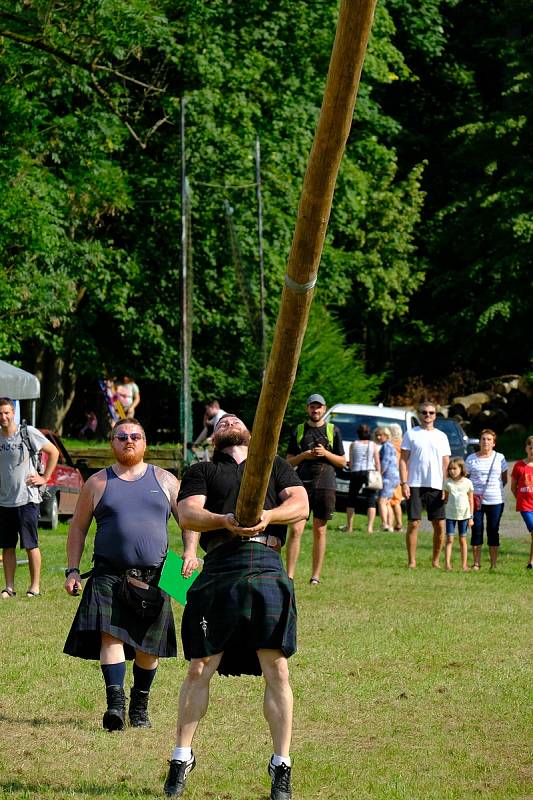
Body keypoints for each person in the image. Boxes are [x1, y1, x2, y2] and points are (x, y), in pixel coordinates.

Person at [163, 413, 308, 800]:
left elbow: (301, 505)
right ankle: (181, 756)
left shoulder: (274, 466)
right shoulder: (203, 470)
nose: (227, 420)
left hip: (265, 562)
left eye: (233, 418)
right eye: (220, 421)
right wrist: (224, 520)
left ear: (249, 430)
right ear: (213, 437)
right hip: (221, 564)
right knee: (199, 666)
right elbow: (188, 513)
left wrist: (268, 517)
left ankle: (281, 764)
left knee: (276, 667)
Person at [63, 417, 195, 731]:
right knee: (111, 637)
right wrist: (72, 571)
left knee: (149, 648)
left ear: (145, 442)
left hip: (156, 575)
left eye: (135, 435)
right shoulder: (97, 483)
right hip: (109, 574)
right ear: (112, 443)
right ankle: (115, 707)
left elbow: (188, 521)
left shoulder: (165, 480)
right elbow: (78, 529)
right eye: (121, 436)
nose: (128, 440)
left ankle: (139, 707)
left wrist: (190, 552)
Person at [0, 397, 59, 598]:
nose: (3, 416)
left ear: (13, 413)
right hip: (4, 501)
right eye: (0, 413)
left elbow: (54, 452)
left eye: (6, 412)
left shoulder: (27, 433)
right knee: (7, 546)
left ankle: (34, 587)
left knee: (30, 544)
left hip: (27, 499)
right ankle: (9, 587)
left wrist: (45, 478)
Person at [285, 394, 345, 584]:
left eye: (318, 407)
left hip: (326, 484)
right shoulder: (299, 430)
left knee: (320, 530)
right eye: (312, 407)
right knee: (295, 529)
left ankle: (315, 576)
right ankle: (289, 576)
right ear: (307, 409)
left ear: (324, 409)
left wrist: (325, 453)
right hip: (301, 484)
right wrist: (303, 455)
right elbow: (288, 461)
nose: (315, 410)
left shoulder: (332, 431)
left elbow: (343, 462)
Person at [400, 401, 451, 569]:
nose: (427, 415)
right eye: (424, 412)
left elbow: (446, 463)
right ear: (419, 414)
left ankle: (435, 561)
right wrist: (404, 482)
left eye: (431, 412)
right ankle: (411, 561)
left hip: (436, 484)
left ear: (435, 415)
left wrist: (446, 485)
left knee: (439, 525)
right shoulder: (411, 434)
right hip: (414, 483)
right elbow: (403, 459)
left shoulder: (441, 436)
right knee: (414, 523)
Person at [465, 428, 507, 570]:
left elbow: (504, 478)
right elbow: (466, 479)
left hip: (495, 500)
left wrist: (493, 490)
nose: (486, 442)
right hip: (475, 500)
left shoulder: (500, 458)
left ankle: (493, 564)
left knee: (493, 530)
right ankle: (476, 563)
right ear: (479, 441)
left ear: (494, 443)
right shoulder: (471, 459)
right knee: (476, 529)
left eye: (489, 439)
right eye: (483, 439)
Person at [339, 423, 381, 534]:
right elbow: (377, 462)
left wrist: (352, 469)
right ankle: (370, 528)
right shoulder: (373, 445)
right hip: (370, 472)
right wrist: (378, 473)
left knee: (352, 498)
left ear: (358, 433)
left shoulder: (354, 444)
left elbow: (351, 462)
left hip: (356, 472)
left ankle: (349, 526)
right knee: (371, 500)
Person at [443, 458, 474, 571]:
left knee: (463, 540)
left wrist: (471, 517)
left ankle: (464, 565)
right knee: (450, 539)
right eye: (450, 469)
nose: (452, 471)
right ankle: (447, 564)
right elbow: (446, 497)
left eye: (455, 468)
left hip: (464, 516)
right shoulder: (447, 482)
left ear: (461, 469)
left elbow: (471, 500)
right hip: (450, 515)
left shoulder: (468, 483)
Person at [510, 435, 533, 569]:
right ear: (526, 448)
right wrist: (519, 500)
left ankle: (531, 562)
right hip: (525, 506)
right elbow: (513, 487)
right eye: (530, 448)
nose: (532, 451)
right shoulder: (519, 465)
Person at [374, 426, 399, 532]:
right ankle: (390, 525)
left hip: (387, 477)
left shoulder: (386, 446)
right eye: (377, 435)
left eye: (381, 435)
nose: (379, 437)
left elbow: (385, 461)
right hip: (393, 477)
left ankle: (385, 524)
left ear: (387, 435)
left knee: (382, 501)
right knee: (388, 502)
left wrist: (379, 473)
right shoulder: (390, 446)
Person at [388, 423, 404, 532]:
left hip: (391, 475)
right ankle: (399, 523)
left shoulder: (390, 445)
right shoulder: (403, 444)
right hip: (400, 475)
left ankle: (390, 524)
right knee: (397, 501)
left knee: (389, 501)